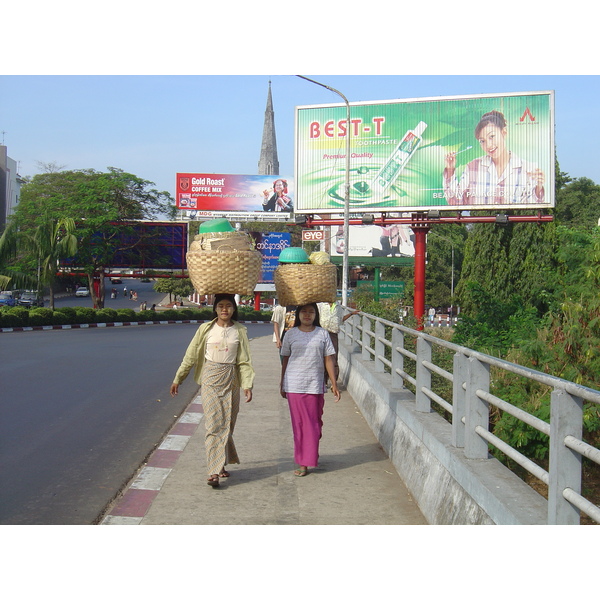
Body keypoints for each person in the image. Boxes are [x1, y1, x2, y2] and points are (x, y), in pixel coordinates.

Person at [170, 294, 254, 487]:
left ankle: (221, 463)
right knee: (214, 424)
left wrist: (247, 384)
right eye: (221, 306)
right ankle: (213, 471)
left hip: (231, 379)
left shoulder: (240, 330)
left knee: (228, 424)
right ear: (215, 309)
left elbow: (244, 360)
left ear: (234, 309)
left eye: (228, 306)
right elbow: (191, 355)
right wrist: (179, 378)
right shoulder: (205, 329)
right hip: (210, 377)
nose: (225, 309)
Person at [280, 303, 341, 477]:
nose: (307, 315)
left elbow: (329, 359)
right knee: (299, 425)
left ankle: (309, 451)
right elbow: (285, 359)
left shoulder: (322, 334)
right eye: (304, 311)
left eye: (311, 312)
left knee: (314, 425)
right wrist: (281, 383)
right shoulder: (290, 334)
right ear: (298, 314)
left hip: (315, 385)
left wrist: (334, 384)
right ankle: (303, 462)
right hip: (294, 385)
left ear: (316, 315)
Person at [443, 110, 545, 205]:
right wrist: (450, 170)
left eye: (492, 136)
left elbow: (531, 209)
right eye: (482, 141)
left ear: (504, 133)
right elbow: (456, 201)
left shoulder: (527, 168)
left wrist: (538, 188)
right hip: (479, 223)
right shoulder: (473, 167)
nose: (488, 145)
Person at [317, 302, 360, 384]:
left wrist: (351, 314)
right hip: (321, 333)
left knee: (333, 356)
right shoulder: (321, 306)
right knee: (322, 357)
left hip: (333, 333)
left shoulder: (338, 307)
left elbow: (340, 320)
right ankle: (323, 381)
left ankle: (334, 382)